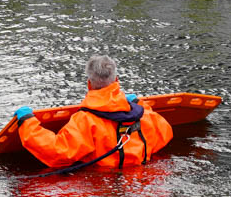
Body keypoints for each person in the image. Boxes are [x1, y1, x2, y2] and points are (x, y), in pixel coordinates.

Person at [12, 55, 173, 170]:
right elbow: (165, 132)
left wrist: (27, 122)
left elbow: (58, 152)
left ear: (89, 84)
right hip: (141, 179)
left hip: (104, 184)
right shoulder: (141, 113)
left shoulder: (85, 120)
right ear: (117, 80)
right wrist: (138, 102)